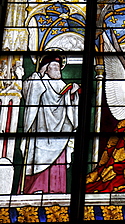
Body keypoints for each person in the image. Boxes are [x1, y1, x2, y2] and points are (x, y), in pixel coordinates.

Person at [20, 55, 80, 194]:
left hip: (59, 134)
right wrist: (37, 75)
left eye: (58, 67)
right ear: (46, 69)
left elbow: (66, 106)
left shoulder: (62, 85)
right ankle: (35, 189)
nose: (56, 70)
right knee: (37, 159)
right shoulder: (38, 82)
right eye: (52, 67)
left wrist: (71, 94)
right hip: (40, 131)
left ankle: (56, 189)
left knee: (58, 162)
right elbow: (29, 93)